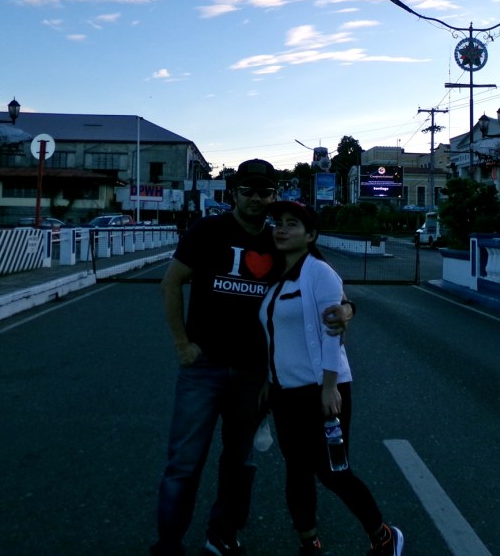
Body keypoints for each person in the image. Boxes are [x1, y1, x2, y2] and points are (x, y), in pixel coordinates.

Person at [151, 159, 352, 556]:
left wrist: (347, 309)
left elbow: (331, 289)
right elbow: (171, 283)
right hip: (203, 367)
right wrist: (181, 344)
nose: (257, 199)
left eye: (265, 192)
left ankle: (222, 534)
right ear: (234, 193)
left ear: (275, 195)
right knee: (185, 461)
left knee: (238, 461)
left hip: (254, 375)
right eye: (248, 191)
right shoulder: (208, 231)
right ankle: (169, 544)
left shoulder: (280, 240)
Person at [259, 200, 404, 556]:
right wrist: (267, 382)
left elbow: (332, 330)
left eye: (292, 224)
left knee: (333, 471)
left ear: (310, 235)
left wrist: (329, 386)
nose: (282, 229)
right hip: (284, 393)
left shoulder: (319, 273)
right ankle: (309, 542)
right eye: (278, 223)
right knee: (296, 471)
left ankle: (383, 536)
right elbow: (275, 338)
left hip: (320, 391)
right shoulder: (274, 279)